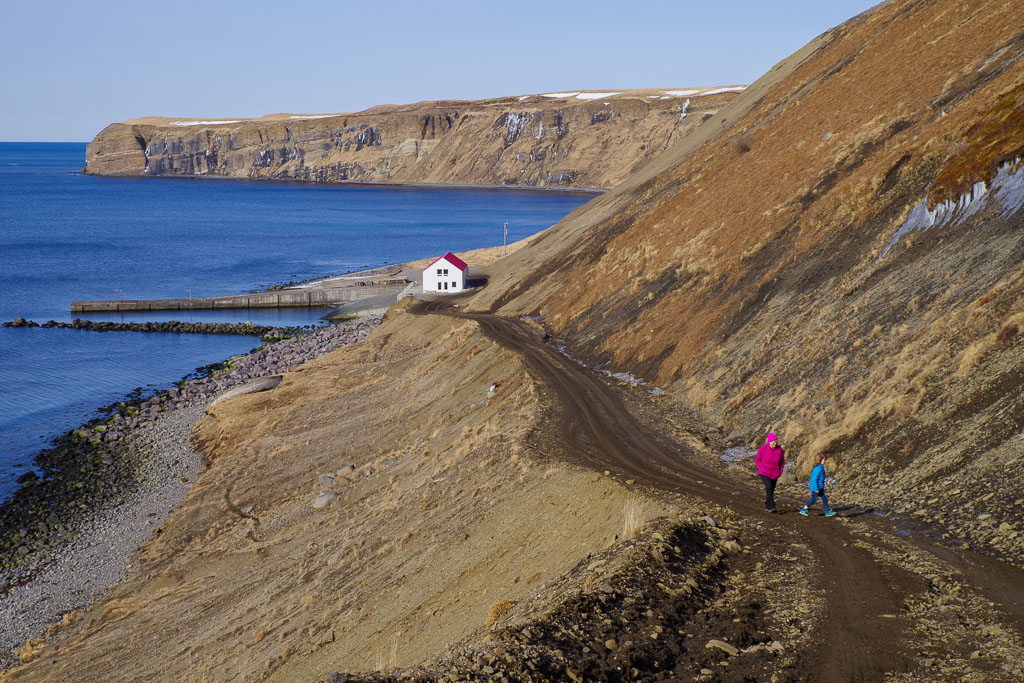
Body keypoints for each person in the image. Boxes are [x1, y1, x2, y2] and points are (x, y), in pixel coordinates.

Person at [755, 432, 785, 513]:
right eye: (773, 442)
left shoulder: (779, 450)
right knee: (768, 487)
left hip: (775, 473)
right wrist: (762, 468)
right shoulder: (763, 448)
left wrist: (780, 471)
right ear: (769, 442)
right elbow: (757, 459)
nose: (775, 443)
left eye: (776, 441)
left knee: (771, 489)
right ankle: (772, 505)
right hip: (764, 472)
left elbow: (782, 461)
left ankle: (768, 505)